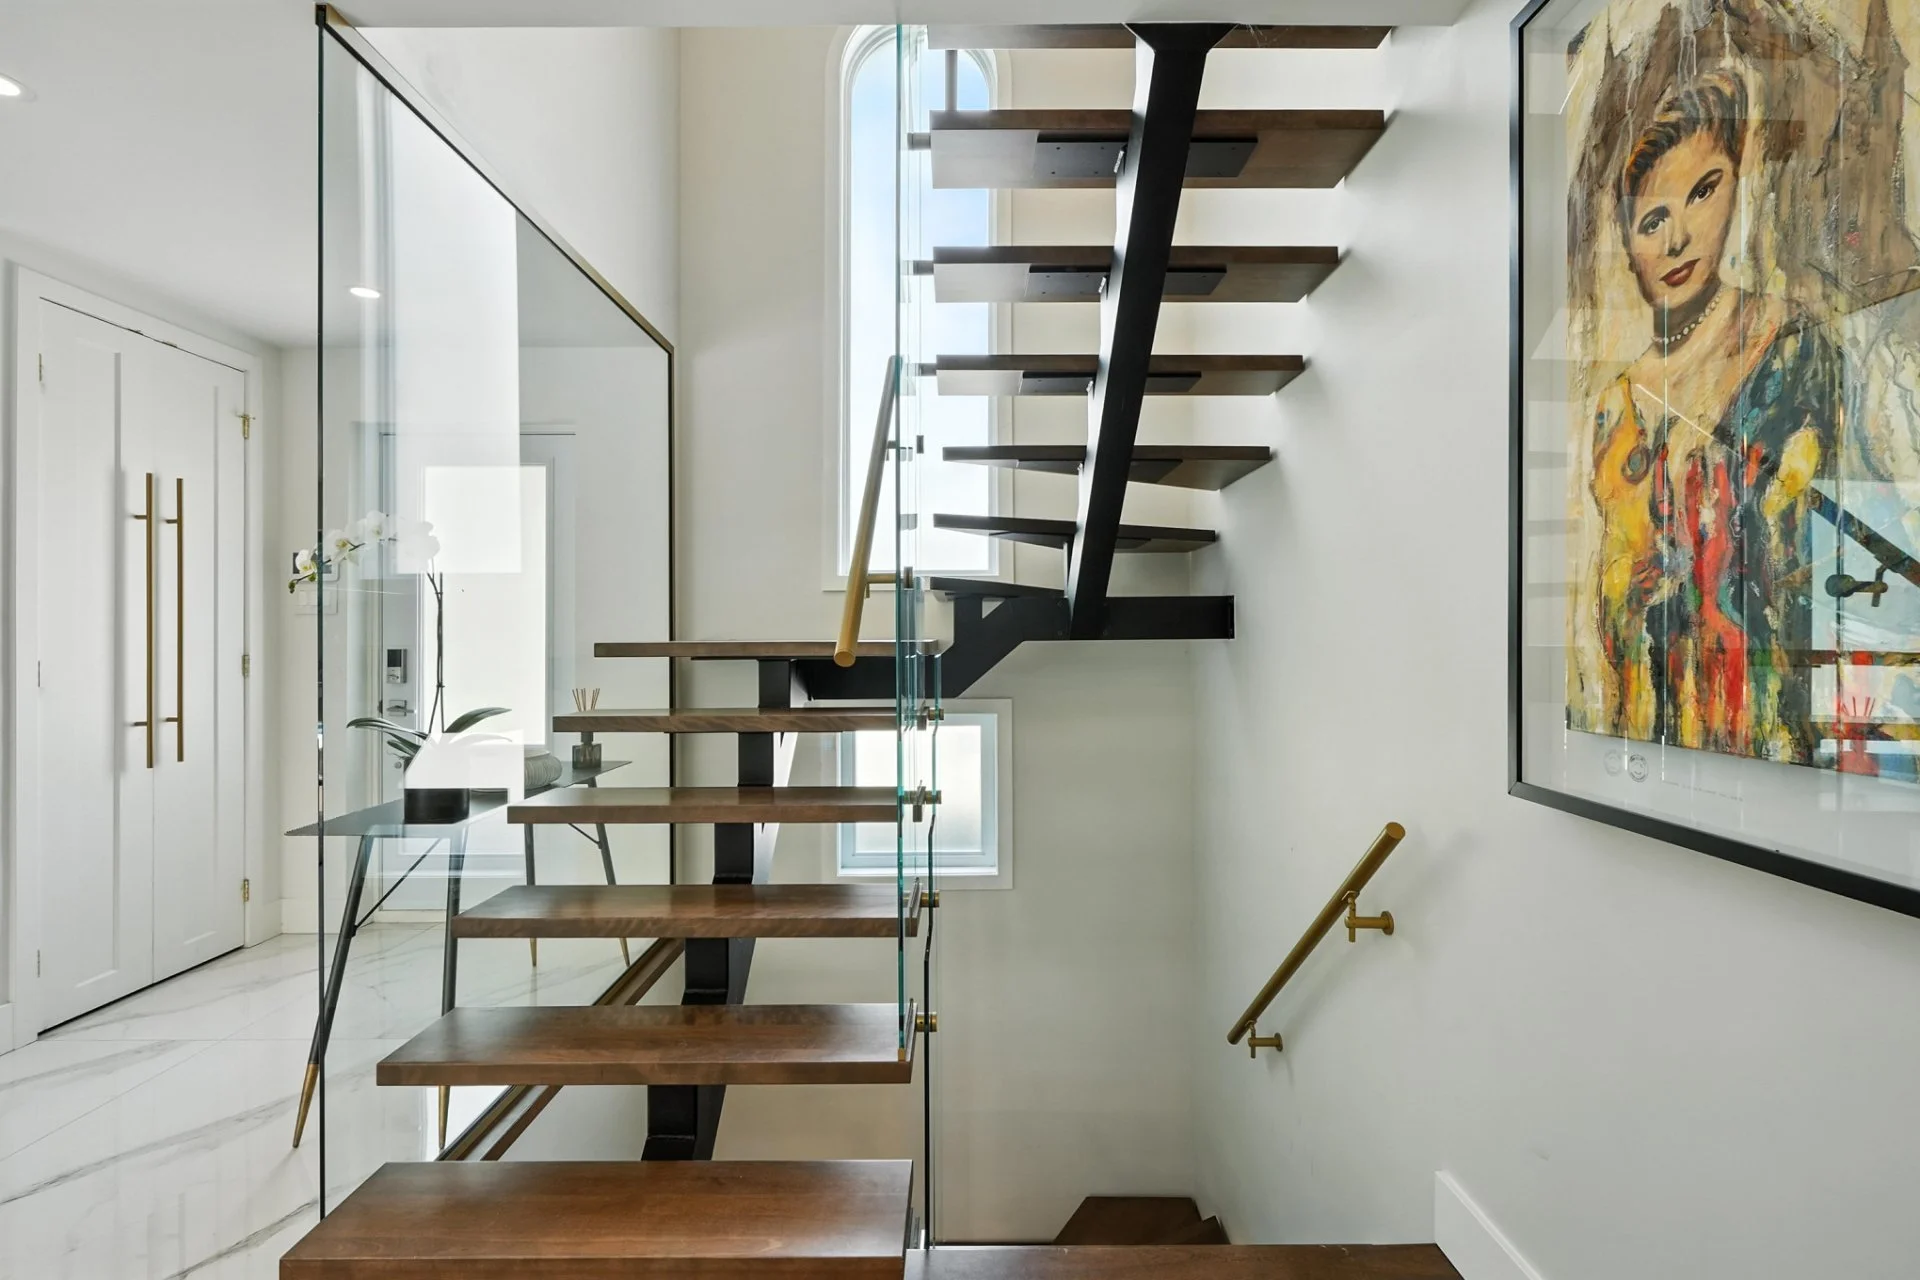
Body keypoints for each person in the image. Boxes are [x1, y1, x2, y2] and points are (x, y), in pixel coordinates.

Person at [1582, 70, 1847, 764]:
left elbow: (1817, 569)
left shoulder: (1790, 349)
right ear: (1628, 244)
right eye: (1651, 220)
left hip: (1773, 740)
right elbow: (1615, 610)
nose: (1678, 240)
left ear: (1737, 185)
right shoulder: (1618, 405)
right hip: (1650, 746)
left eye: (1704, 190)